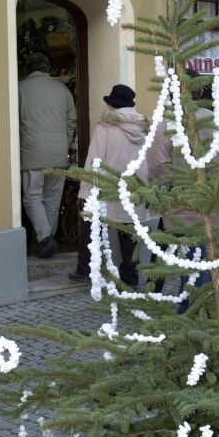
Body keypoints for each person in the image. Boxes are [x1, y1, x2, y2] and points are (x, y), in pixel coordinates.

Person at [147, 72, 219, 311]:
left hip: (182, 211)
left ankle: (194, 315)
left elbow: (157, 168)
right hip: (216, 208)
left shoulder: (168, 126)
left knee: (192, 271)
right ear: (201, 92)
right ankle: (206, 313)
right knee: (207, 265)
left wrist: (163, 197)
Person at [69, 84, 149, 286]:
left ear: (112, 105)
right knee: (130, 233)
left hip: (108, 187)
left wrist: (85, 191)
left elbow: (94, 160)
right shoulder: (143, 127)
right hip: (136, 188)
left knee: (90, 226)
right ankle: (130, 277)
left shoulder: (105, 127)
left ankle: (86, 269)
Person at [19, 52, 77, 258]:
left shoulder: (20, 88)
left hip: (32, 151)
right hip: (58, 152)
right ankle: (48, 238)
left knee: (32, 197)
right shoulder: (62, 89)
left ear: (28, 68)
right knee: (53, 198)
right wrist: (65, 140)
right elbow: (72, 120)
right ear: (47, 68)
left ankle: (45, 238)